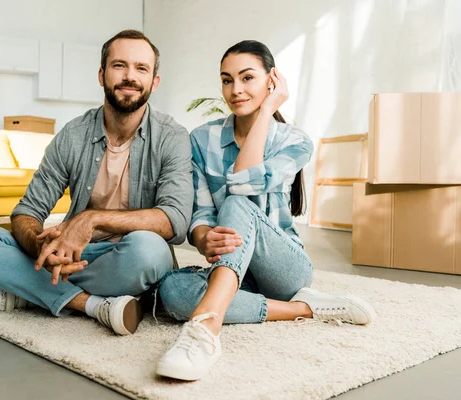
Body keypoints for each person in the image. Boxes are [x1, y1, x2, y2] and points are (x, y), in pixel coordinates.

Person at [155, 40, 376, 381]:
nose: (235, 90)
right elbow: (199, 214)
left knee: (236, 201)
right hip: (235, 272)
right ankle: (304, 309)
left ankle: (205, 330)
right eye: (227, 80)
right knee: (171, 292)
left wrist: (266, 110)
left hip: (284, 270)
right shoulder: (201, 139)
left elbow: (242, 184)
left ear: (271, 81)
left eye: (247, 78)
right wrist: (203, 239)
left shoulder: (294, 140)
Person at [0, 30, 193, 336]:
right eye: (119, 66)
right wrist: (41, 246)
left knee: (150, 251)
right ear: (101, 74)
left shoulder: (172, 136)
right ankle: (91, 304)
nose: (129, 76)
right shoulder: (73, 134)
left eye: (141, 68)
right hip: (74, 254)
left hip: (127, 255)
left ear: (154, 82)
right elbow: (27, 210)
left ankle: (29, 291)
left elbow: (175, 221)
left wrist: (90, 220)